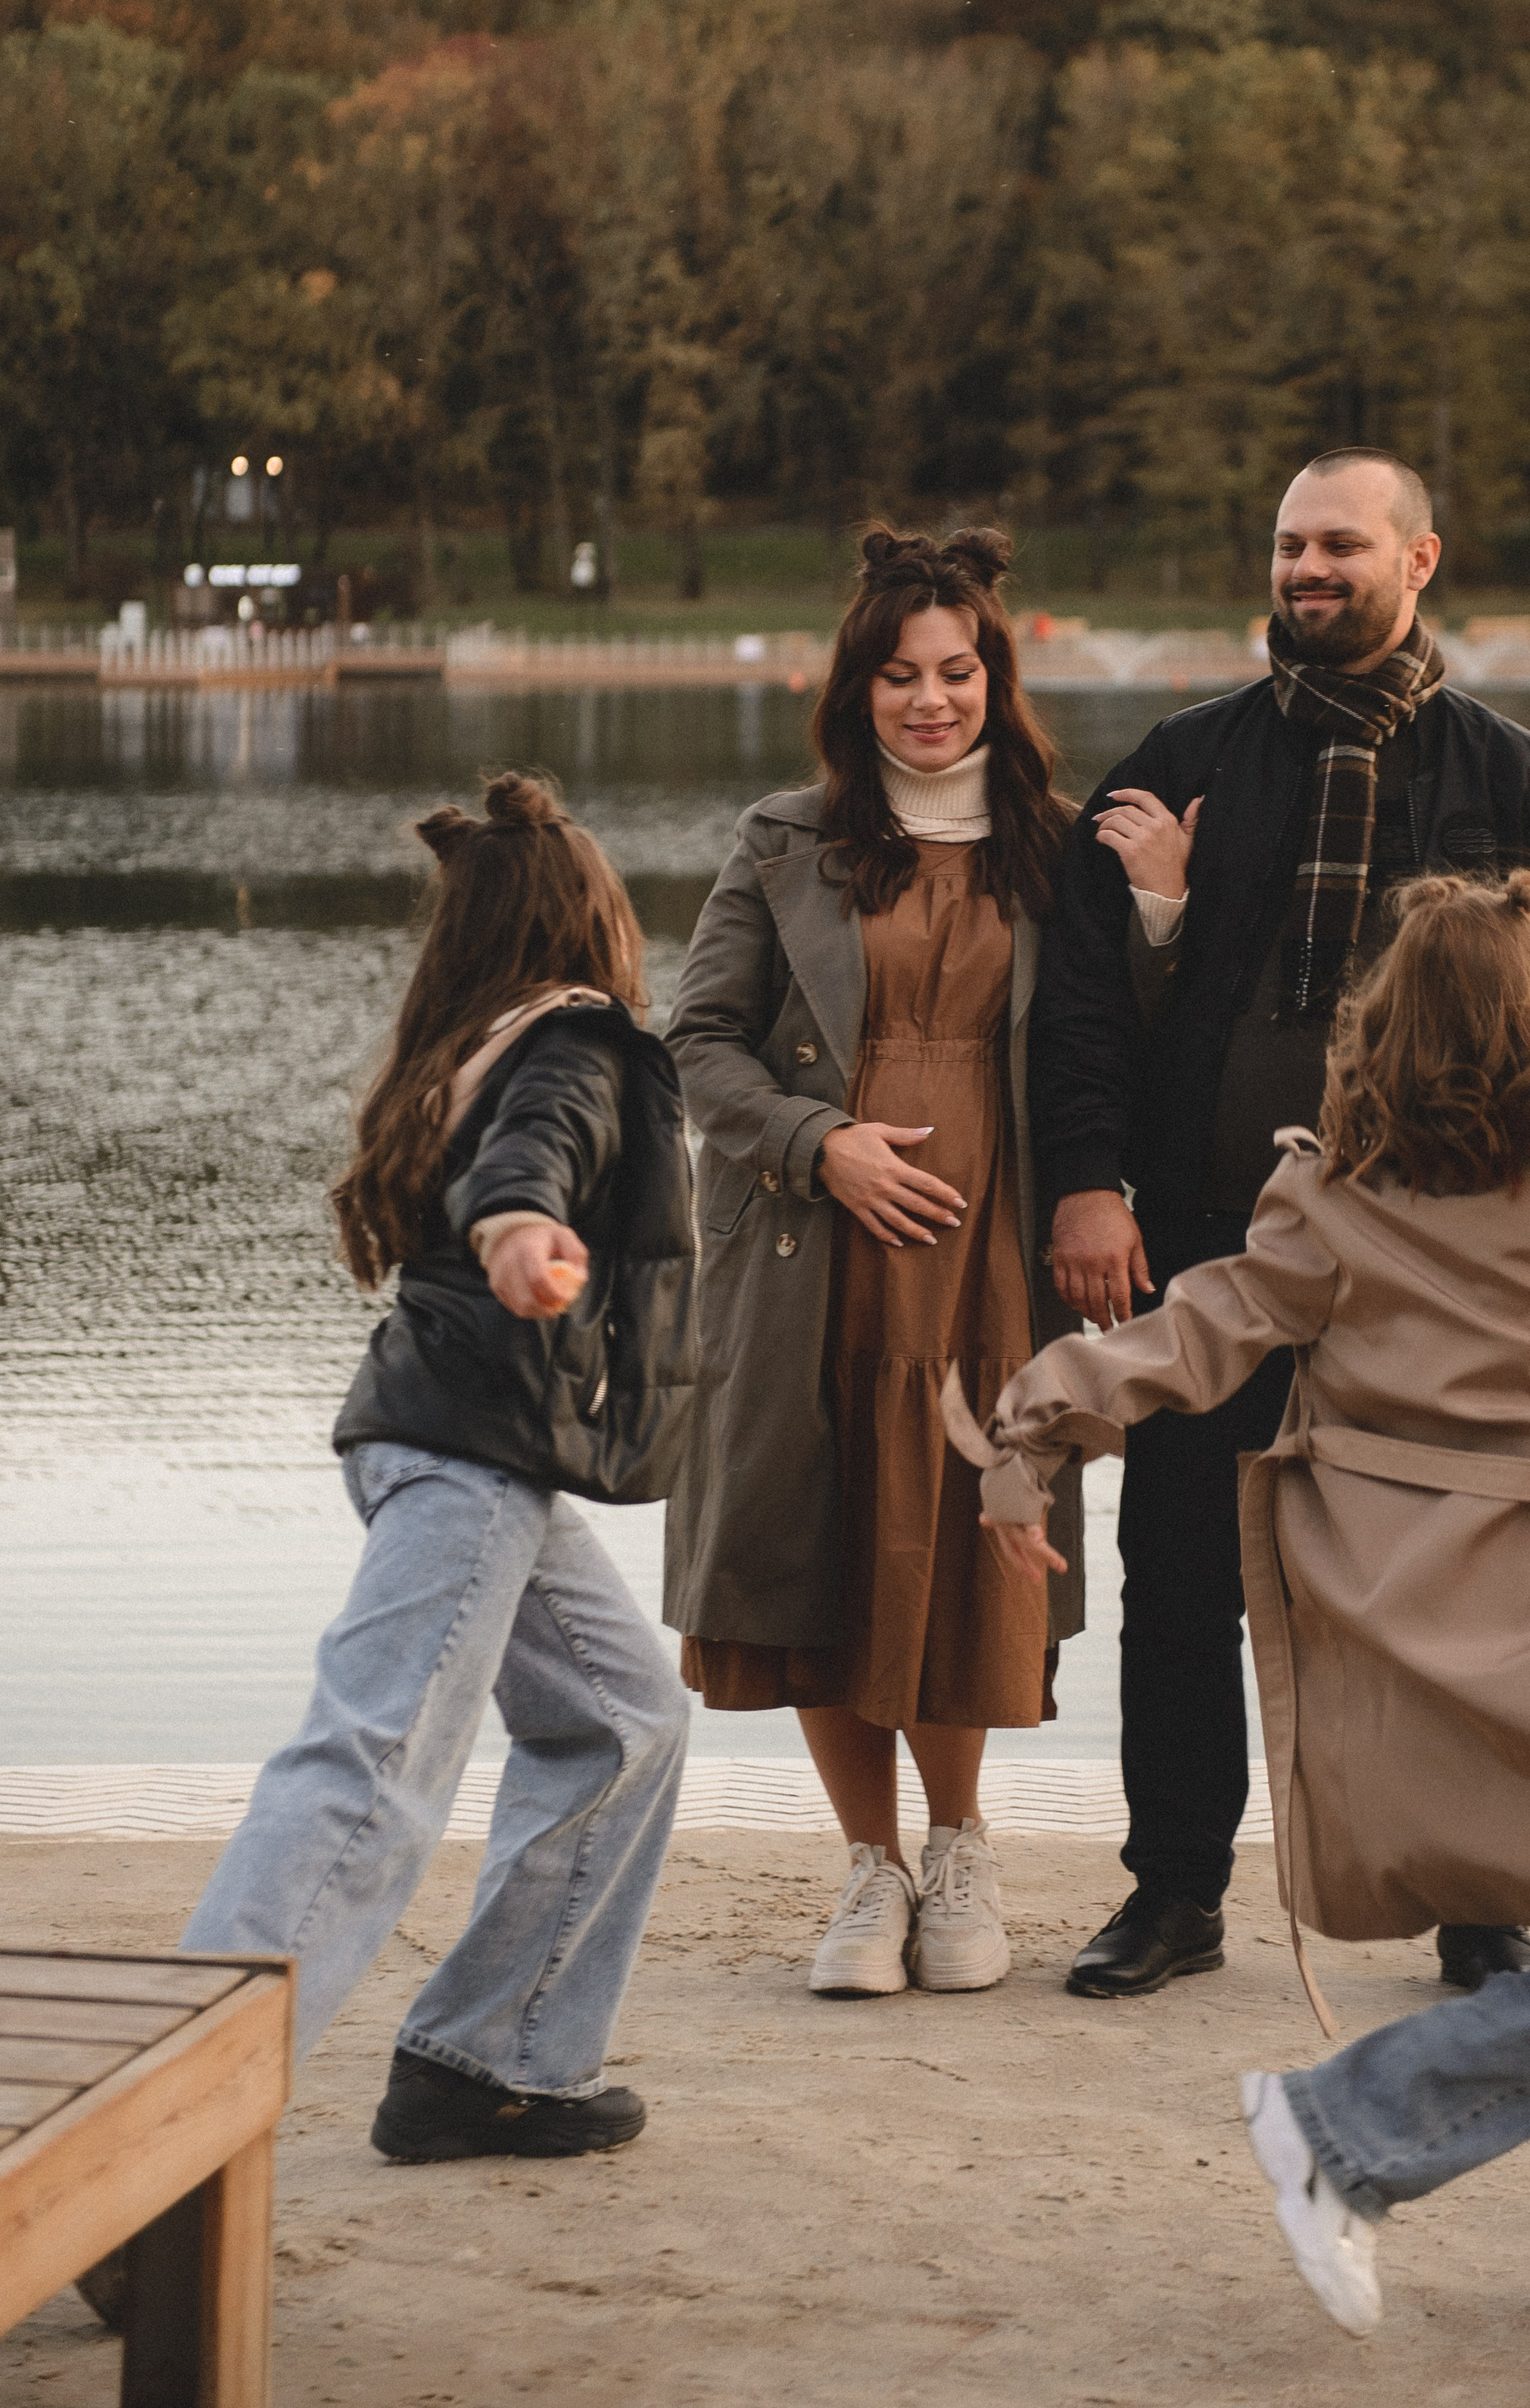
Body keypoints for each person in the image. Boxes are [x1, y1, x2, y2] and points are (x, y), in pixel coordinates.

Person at [953, 868, 1530, 2341]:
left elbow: (1190, 1328)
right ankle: (1339, 2133)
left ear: (1379, 1030)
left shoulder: (1328, 1197)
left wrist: (1029, 1426)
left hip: (1433, 1640)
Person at [1031, 447, 1530, 1998]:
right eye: (1290, 546)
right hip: (1208, 1239)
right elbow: (1084, 1005)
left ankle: (1477, 1899)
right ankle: (1172, 1893)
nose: (1306, 572)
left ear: (1417, 559)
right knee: (1174, 1576)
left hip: (1429, 1266)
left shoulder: (1510, 780)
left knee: (1443, 1589)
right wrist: (1085, 1183)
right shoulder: (1176, 757)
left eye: (1339, 547)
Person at [180, 773, 697, 2163]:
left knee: (626, 1718)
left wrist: (522, 1226)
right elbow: (533, 1162)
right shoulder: (575, 1040)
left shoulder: (471, 1035)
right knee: (370, 1767)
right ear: (591, 919)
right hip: (468, 1459)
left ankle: (491, 2061)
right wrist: (526, 1230)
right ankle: (165, 2130)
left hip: (463, 1452)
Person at [664, 526, 1083, 2000]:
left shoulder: (1057, 844)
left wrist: (1157, 910)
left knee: (960, 1534)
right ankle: (869, 1868)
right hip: (812, 1256)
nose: (928, 699)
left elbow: (1115, 1045)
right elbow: (696, 1040)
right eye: (899, 674)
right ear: (857, 688)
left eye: (955, 670)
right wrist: (815, 1140)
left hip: (989, 1259)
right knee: (824, 1548)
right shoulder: (785, 839)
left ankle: (961, 1847)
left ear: (993, 678)